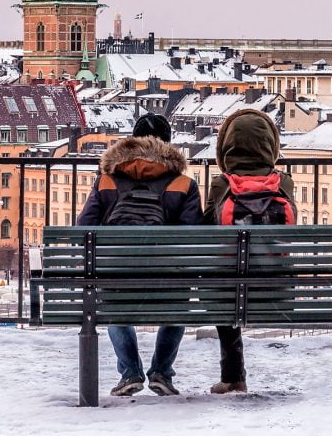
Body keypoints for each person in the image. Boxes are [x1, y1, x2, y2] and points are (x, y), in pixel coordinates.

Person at [77, 114, 203, 397]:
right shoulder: (183, 185)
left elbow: (84, 229)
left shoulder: (107, 181)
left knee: (109, 304)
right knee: (178, 306)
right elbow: (192, 237)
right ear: (168, 145)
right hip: (166, 282)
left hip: (117, 280)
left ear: (131, 142)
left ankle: (130, 372)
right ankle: (161, 372)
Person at [203, 108, 297, 395]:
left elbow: (208, 231)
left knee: (222, 289)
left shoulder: (222, 184)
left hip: (229, 289)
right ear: (270, 145)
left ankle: (233, 376)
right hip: (277, 286)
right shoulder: (284, 182)